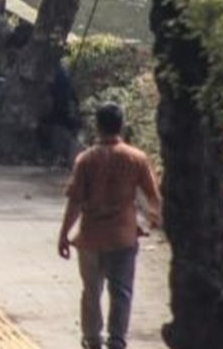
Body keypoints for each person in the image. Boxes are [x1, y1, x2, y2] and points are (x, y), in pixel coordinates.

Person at [58, 102, 163, 349]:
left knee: (91, 292)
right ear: (122, 125)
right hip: (123, 237)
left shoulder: (85, 160)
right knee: (122, 293)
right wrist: (152, 220)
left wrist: (64, 235)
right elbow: (153, 197)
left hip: (90, 238)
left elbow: (75, 203)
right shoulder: (136, 158)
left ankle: (92, 339)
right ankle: (117, 341)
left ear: (97, 126)